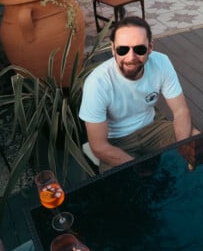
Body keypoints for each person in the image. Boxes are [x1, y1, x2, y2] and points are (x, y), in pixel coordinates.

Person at [80, 16, 196, 172]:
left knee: (201, 146)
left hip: (153, 126)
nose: (131, 57)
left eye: (139, 49)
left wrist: (183, 145)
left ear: (150, 48)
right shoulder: (97, 83)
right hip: (116, 141)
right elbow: (99, 146)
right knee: (125, 190)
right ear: (113, 49)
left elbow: (181, 111)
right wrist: (139, 167)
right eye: (123, 50)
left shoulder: (161, 62)